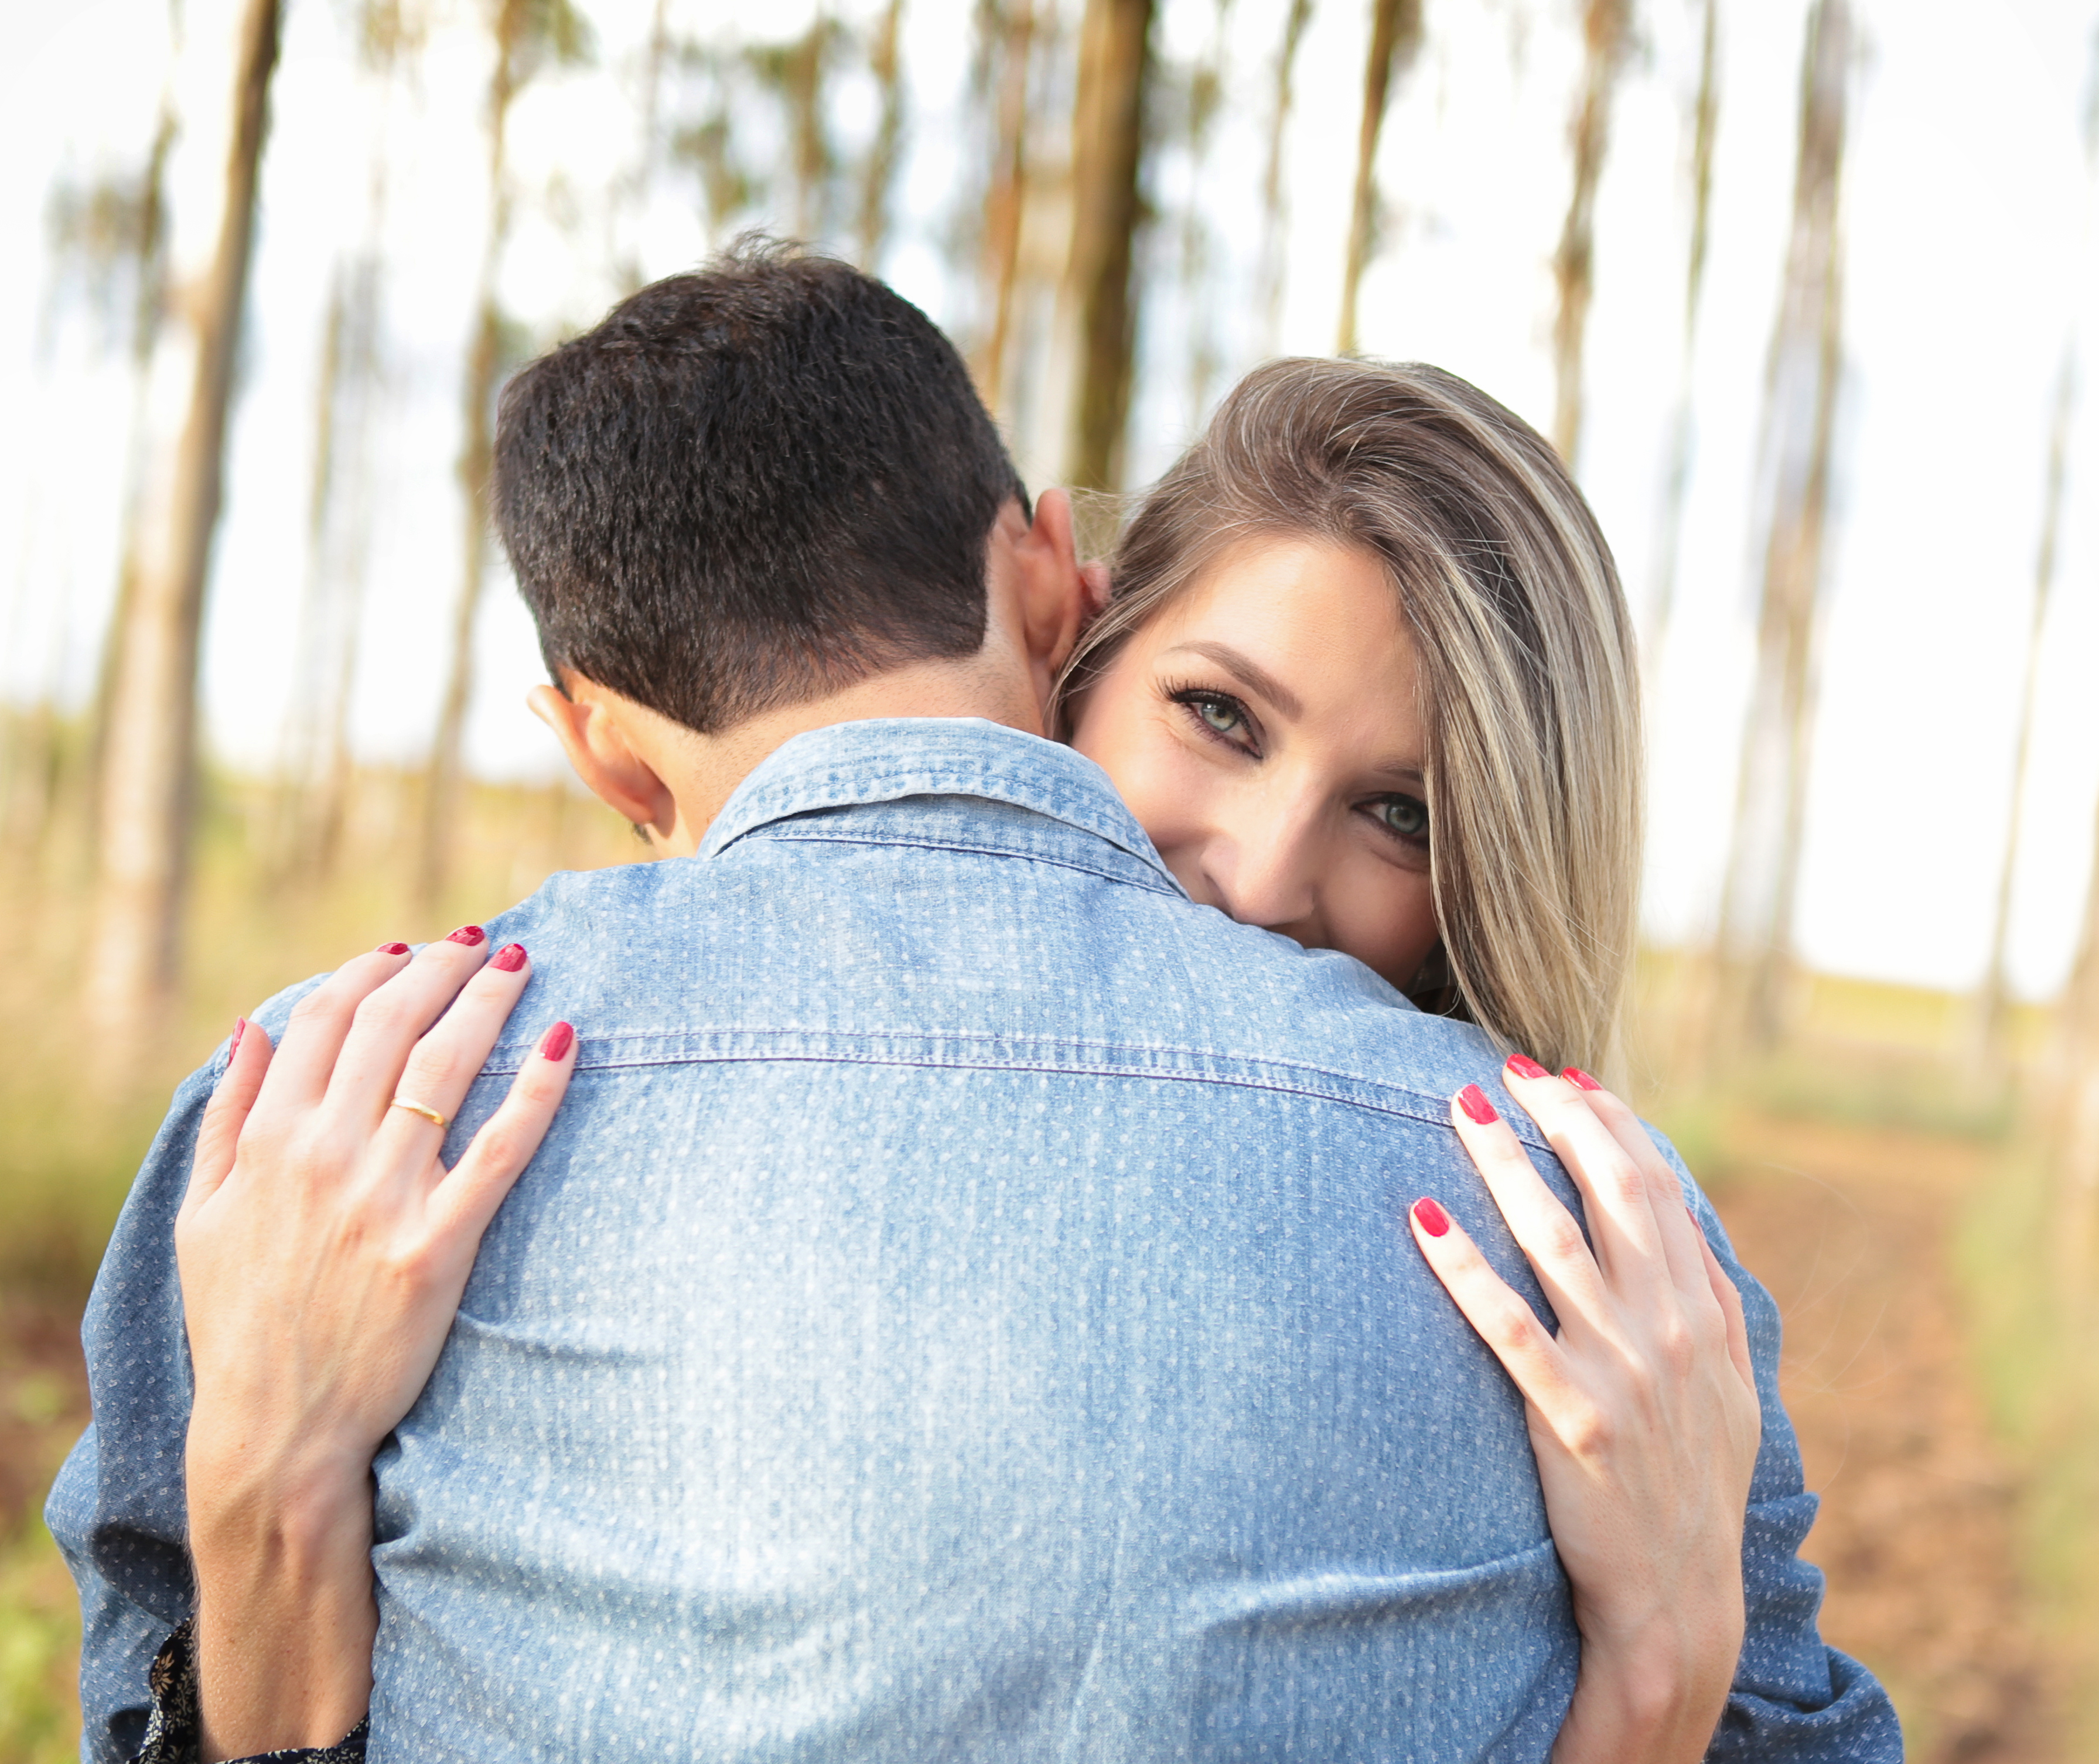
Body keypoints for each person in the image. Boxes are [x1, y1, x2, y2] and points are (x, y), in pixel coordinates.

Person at [50, 245, 1899, 1762]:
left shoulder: (1595, 1266)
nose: (1256, 877)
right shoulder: (349, 1151)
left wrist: (1672, 1662)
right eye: (1220, 716)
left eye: (1401, 814)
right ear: (1068, 607)